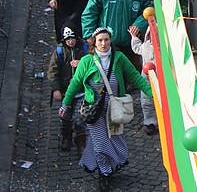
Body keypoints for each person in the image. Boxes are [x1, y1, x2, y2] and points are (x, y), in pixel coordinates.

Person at [59, 27, 153, 191]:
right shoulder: (87, 61)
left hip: (114, 109)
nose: (103, 43)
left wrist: (152, 93)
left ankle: (112, 164)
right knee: (100, 143)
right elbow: (75, 83)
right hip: (94, 110)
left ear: (110, 41)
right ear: (94, 42)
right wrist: (66, 104)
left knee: (114, 138)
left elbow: (135, 77)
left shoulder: (119, 58)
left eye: (106, 40)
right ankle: (105, 173)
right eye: (100, 40)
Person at [81, 0, 151, 63]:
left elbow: (149, 12)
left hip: (130, 45)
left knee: (129, 76)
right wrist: (89, 35)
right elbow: (89, 13)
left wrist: (138, 25)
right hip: (107, 45)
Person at [47, 26, 89, 151]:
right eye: (68, 39)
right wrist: (56, 89)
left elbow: (93, 63)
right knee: (66, 116)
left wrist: (81, 62)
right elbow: (52, 71)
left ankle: (81, 140)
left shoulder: (84, 48)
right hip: (66, 92)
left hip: (82, 91)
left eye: (73, 38)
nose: (71, 41)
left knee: (81, 116)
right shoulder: (59, 52)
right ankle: (66, 137)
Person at [128, 25, 157, 135]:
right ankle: (150, 122)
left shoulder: (163, 47)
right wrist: (134, 37)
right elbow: (137, 48)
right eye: (151, 35)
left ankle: (164, 120)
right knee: (146, 100)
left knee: (163, 99)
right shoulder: (146, 46)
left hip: (160, 77)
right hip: (146, 77)